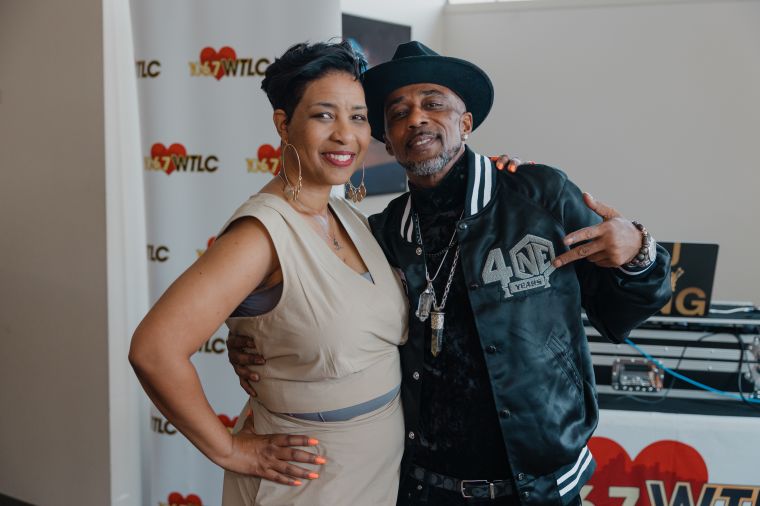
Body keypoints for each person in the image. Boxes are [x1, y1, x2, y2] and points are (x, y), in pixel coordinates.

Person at [228, 41, 672, 505]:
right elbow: (327, 321)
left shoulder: (540, 196)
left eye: (433, 104)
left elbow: (623, 310)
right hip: (424, 487)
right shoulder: (382, 234)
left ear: (466, 123)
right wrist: (257, 346)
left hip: (540, 488)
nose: (416, 119)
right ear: (387, 141)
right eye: (398, 113)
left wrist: (638, 251)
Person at [130, 40, 412, 506]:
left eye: (358, 117)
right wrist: (229, 451)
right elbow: (154, 350)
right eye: (324, 115)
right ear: (284, 124)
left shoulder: (349, 217)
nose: (345, 134)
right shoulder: (259, 235)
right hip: (308, 481)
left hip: (375, 473)